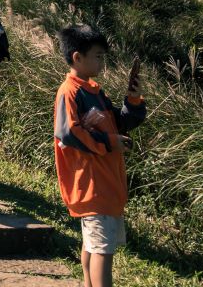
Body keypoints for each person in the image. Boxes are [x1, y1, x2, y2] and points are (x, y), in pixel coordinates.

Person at [55, 25, 146, 287]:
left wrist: (134, 99)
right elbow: (68, 133)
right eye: (98, 56)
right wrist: (109, 142)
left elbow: (119, 122)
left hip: (105, 183)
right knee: (103, 252)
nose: (102, 62)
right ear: (77, 57)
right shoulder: (70, 92)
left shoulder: (94, 90)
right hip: (92, 185)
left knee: (93, 245)